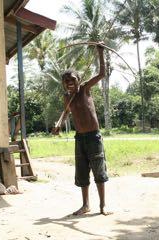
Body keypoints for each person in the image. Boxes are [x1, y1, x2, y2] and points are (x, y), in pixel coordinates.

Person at [53, 43, 112, 216]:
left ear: (78, 79)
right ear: (64, 85)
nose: (70, 83)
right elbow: (65, 114)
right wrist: (59, 125)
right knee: (82, 172)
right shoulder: (67, 97)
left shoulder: (85, 89)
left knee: (99, 171)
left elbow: (101, 73)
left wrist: (100, 52)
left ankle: (103, 206)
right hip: (80, 138)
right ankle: (86, 205)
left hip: (93, 137)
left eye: (72, 80)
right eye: (66, 82)